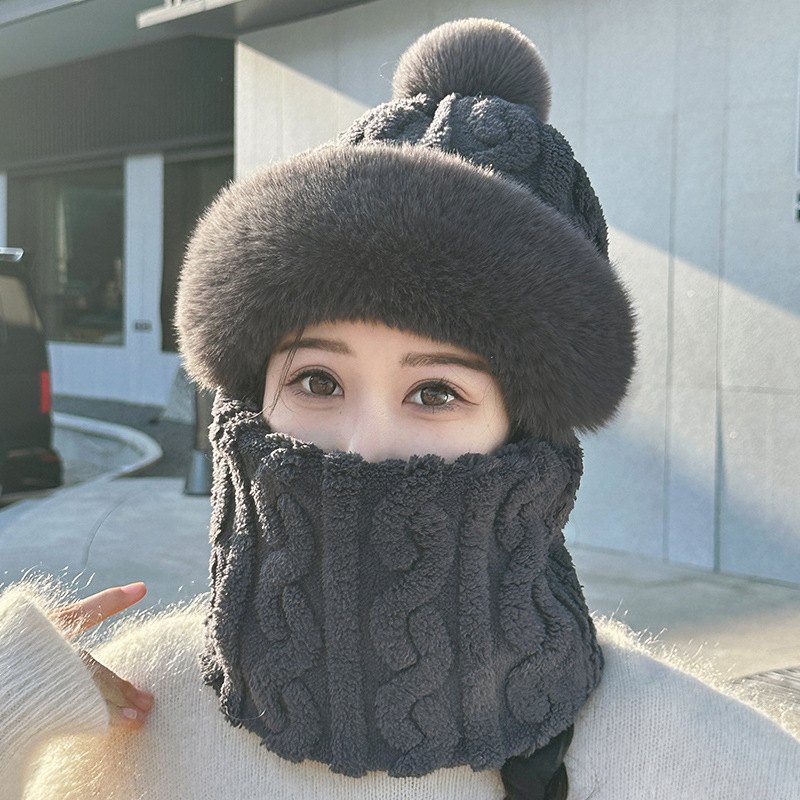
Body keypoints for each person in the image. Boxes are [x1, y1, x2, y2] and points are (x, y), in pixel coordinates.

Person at [1, 18, 799, 800]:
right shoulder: (130, 713)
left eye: (436, 392)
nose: (363, 445)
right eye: (318, 380)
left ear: (523, 432)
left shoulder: (702, 756)